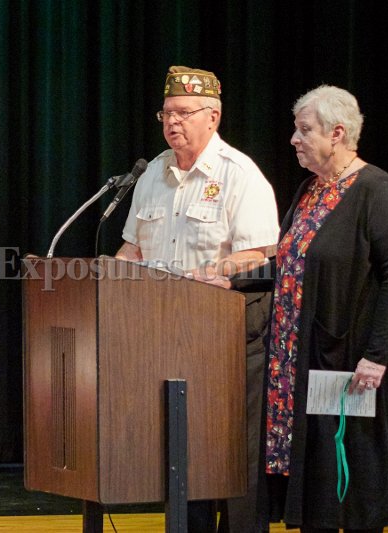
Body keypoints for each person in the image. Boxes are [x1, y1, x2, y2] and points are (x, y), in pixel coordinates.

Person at [115, 66, 279, 533]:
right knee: (183, 456)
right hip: (165, 336)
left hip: (226, 338)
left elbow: (261, 254)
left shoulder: (239, 174)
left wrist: (209, 272)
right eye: (167, 113)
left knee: (233, 455)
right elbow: (133, 248)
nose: (173, 122)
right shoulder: (152, 174)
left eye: (184, 113)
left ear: (213, 116)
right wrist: (108, 272)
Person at [255, 85, 388, 531]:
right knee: (321, 487)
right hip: (309, 360)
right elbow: (290, 261)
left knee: (355, 483)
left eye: (304, 130)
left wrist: (376, 356)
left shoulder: (374, 189)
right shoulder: (310, 190)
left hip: (353, 361)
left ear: (337, 133)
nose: (294, 139)